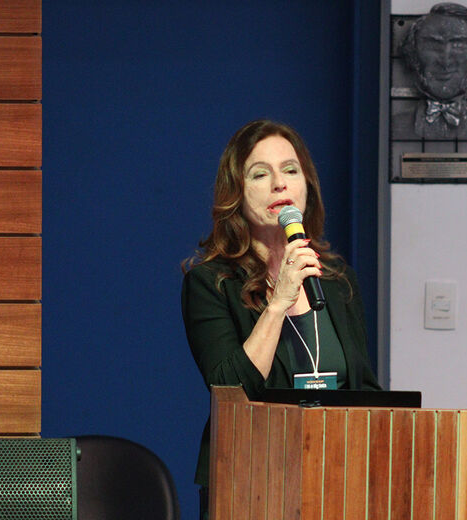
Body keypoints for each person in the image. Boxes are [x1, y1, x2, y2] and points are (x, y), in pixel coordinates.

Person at [181, 119, 381, 517]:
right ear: (236, 194)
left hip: (338, 481)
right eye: (260, 174)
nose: (279, 184)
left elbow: (365, 391)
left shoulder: (338, 282)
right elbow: (228, 388)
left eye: (291, 170)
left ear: (307, 186)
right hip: (250, 478)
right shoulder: (210, 282)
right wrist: (277, 304)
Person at [399, 2, 467, 139]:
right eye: (432, 45)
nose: (445, 62)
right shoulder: (395, 125)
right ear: (412, 51)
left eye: (458, 45)